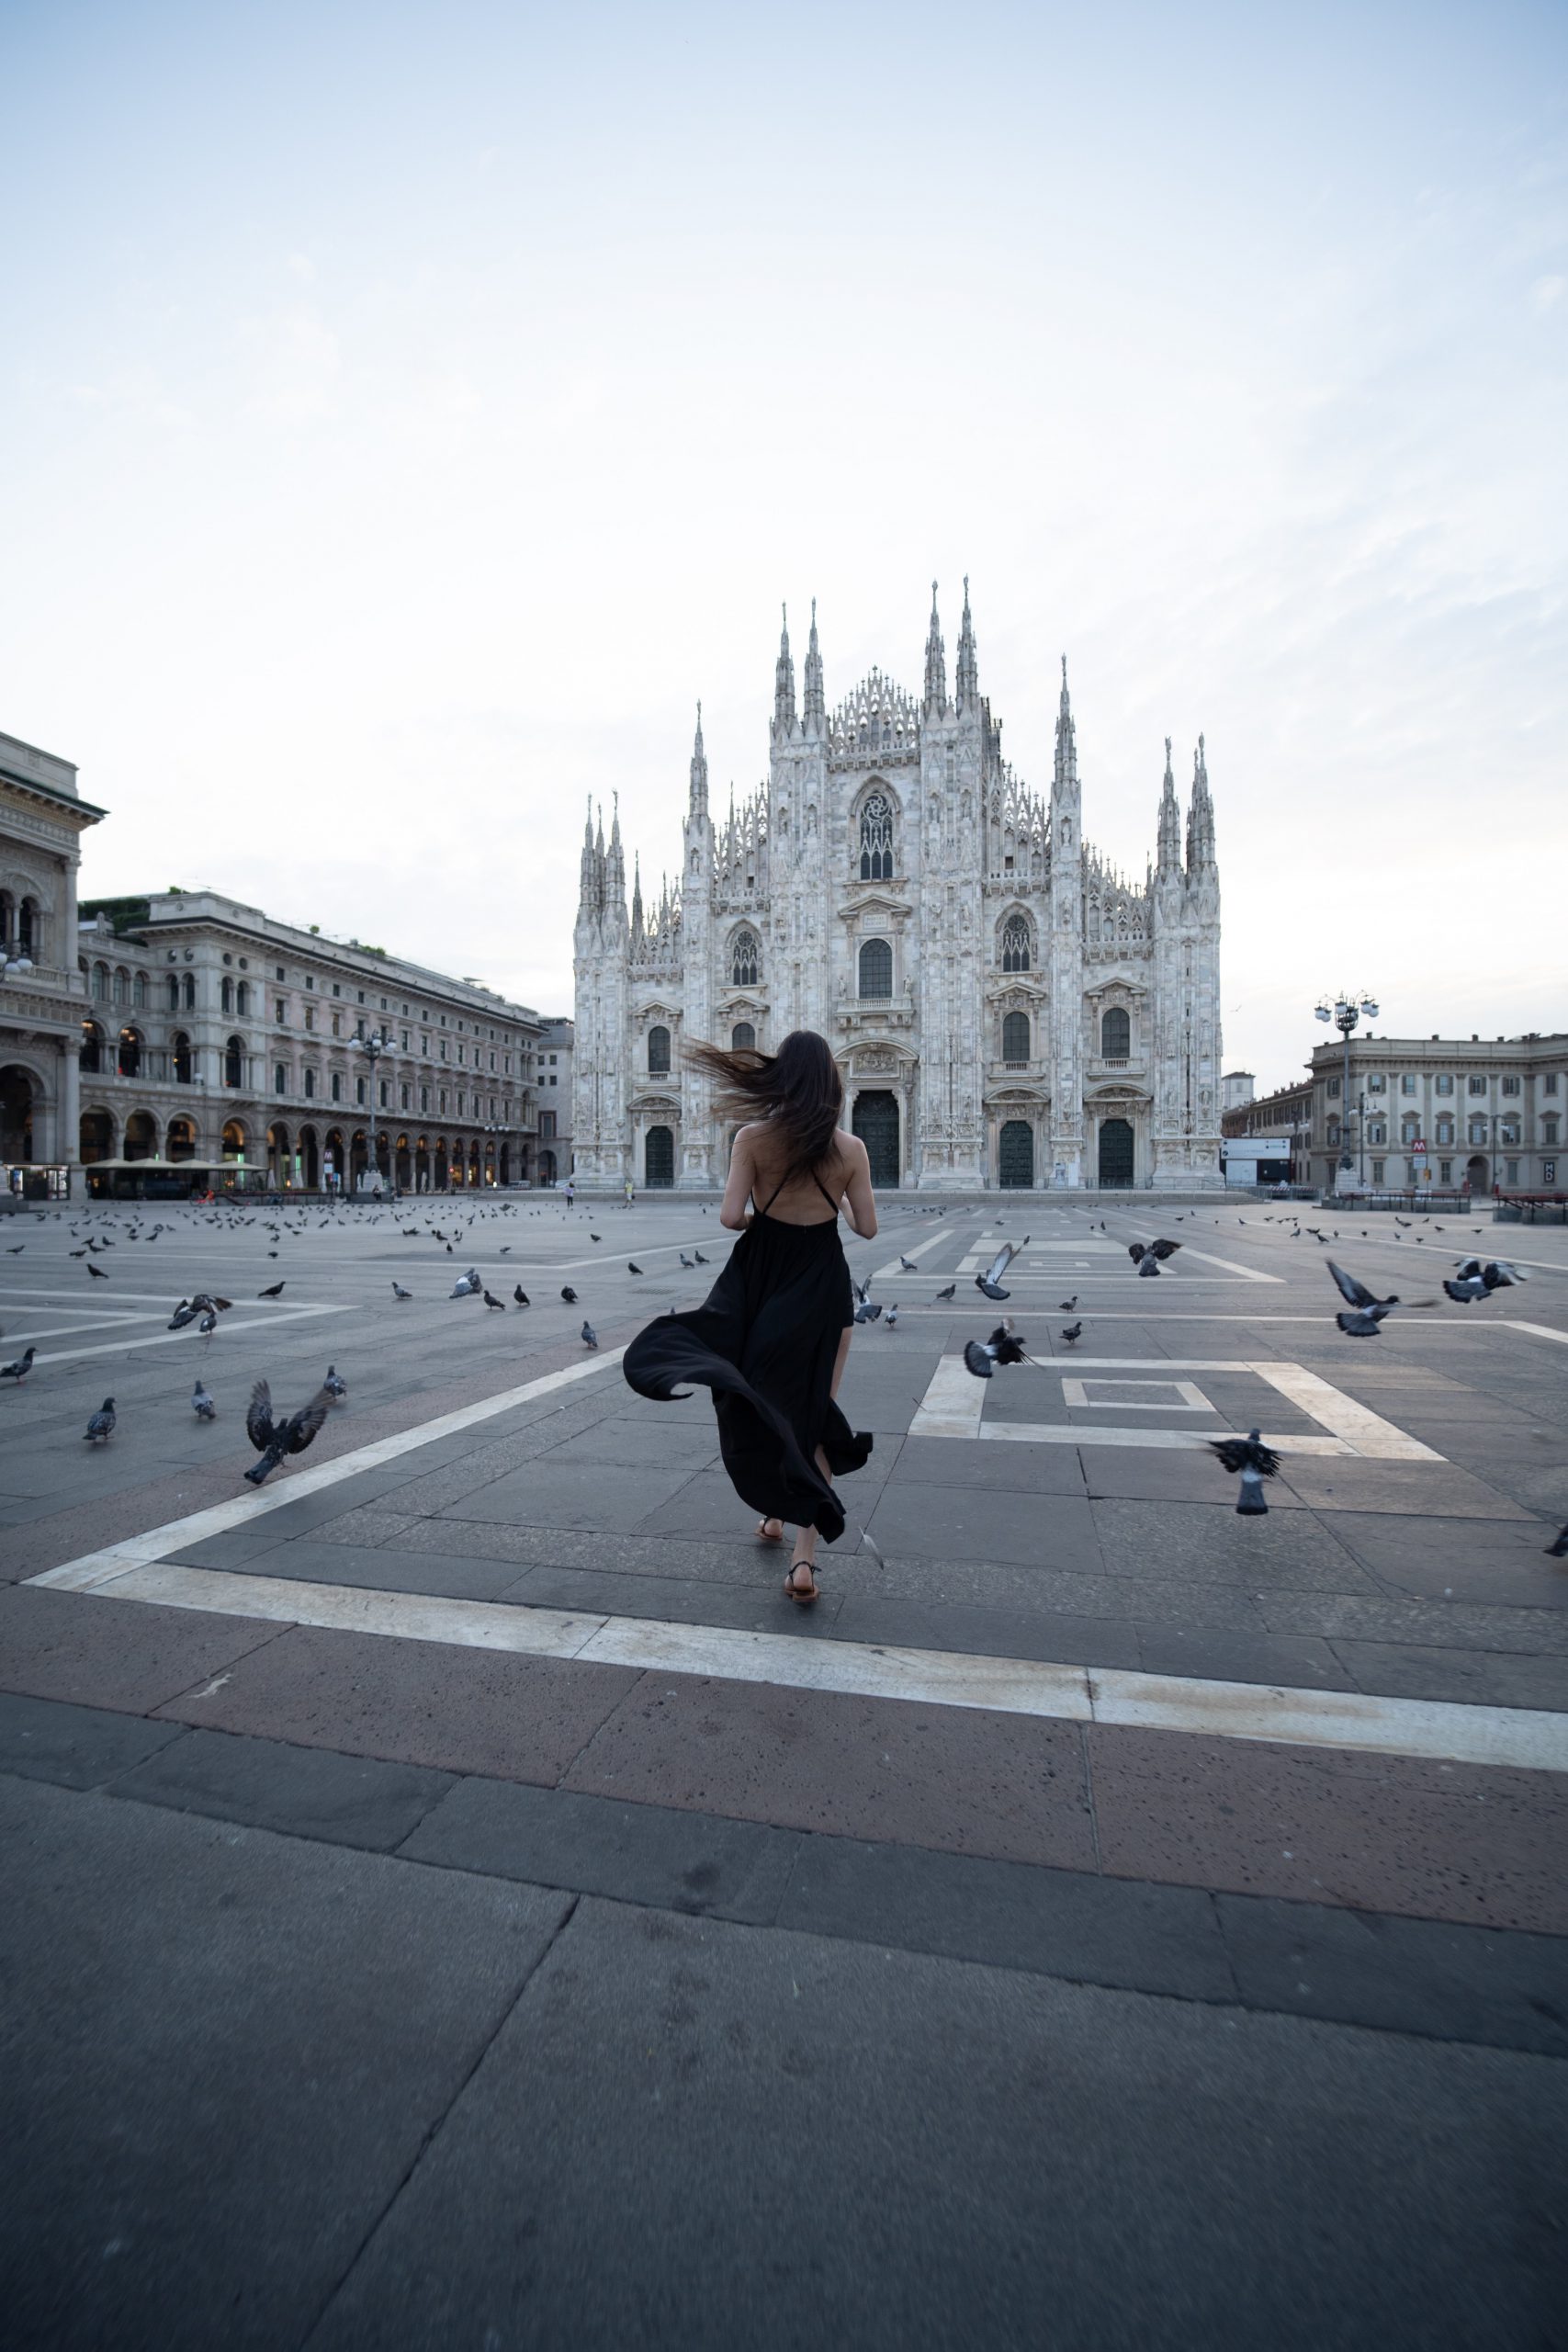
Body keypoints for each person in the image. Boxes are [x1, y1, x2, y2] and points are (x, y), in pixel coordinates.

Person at [624, 1029, 876, 1604]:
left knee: (765, 1400)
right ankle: (802, 1558)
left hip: (763, 1284)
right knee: (813, 1412)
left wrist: (769, 1212)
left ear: (780, 1078)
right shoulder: (852, 1148)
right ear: (831, 1083)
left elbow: (729, 1217)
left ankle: (773, 1514)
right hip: (824, 1287)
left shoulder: (752, 1138)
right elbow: (867, 1228)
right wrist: (830, 1197)